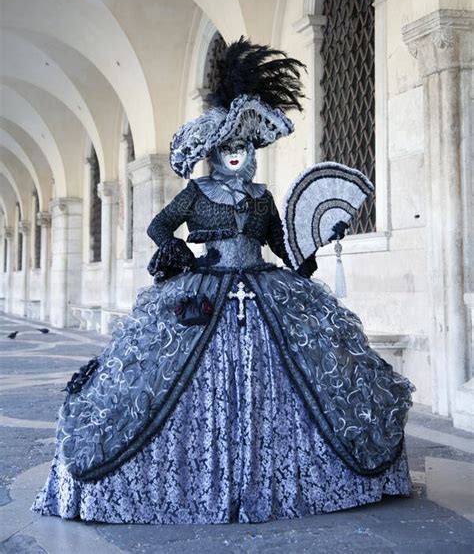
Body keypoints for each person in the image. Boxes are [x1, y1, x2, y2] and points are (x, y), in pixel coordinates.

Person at [32, 37, 414, 524]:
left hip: (265, 292)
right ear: (215, 152)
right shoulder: (195, 192)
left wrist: (319, 241)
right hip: (204, 291)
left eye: (243, 147)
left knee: (319, 372)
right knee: (160, 380)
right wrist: (181, 255)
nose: (236, 154)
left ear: (250, 150)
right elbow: (158, 226)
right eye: (228, 148)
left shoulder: (262, 197)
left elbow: (283, 247)